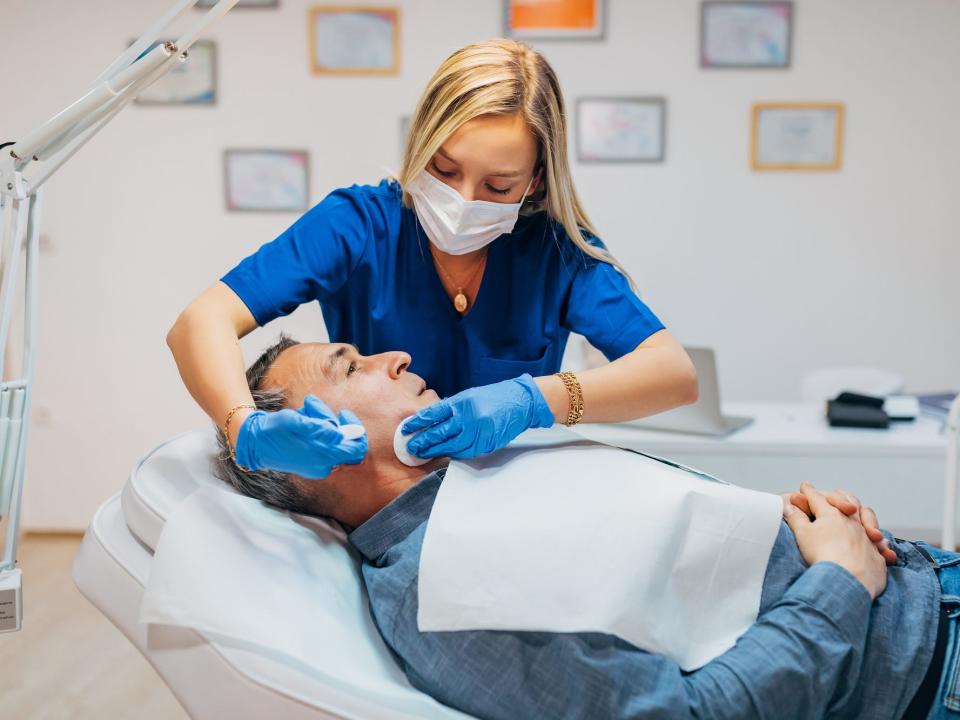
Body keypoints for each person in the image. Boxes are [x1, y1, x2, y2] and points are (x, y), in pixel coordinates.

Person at [213, 335, 956, 720]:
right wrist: (836, 582)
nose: (393, 356)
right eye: (352, 366)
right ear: (314, 446)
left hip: (929, 582)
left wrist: (816, 528)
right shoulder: (444, 596)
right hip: (928, 670)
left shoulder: (476, 474)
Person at [167, 38, 698, 484]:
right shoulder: (359, 225)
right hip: (388, 493)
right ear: (419, 142)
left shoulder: (554, 252)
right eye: (444, 170)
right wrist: (245, 431)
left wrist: (536, 399)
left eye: (498, 185)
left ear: (534, 181)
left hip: (514, 496)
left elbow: (673, 373)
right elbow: (200, 322)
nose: (465, 199)